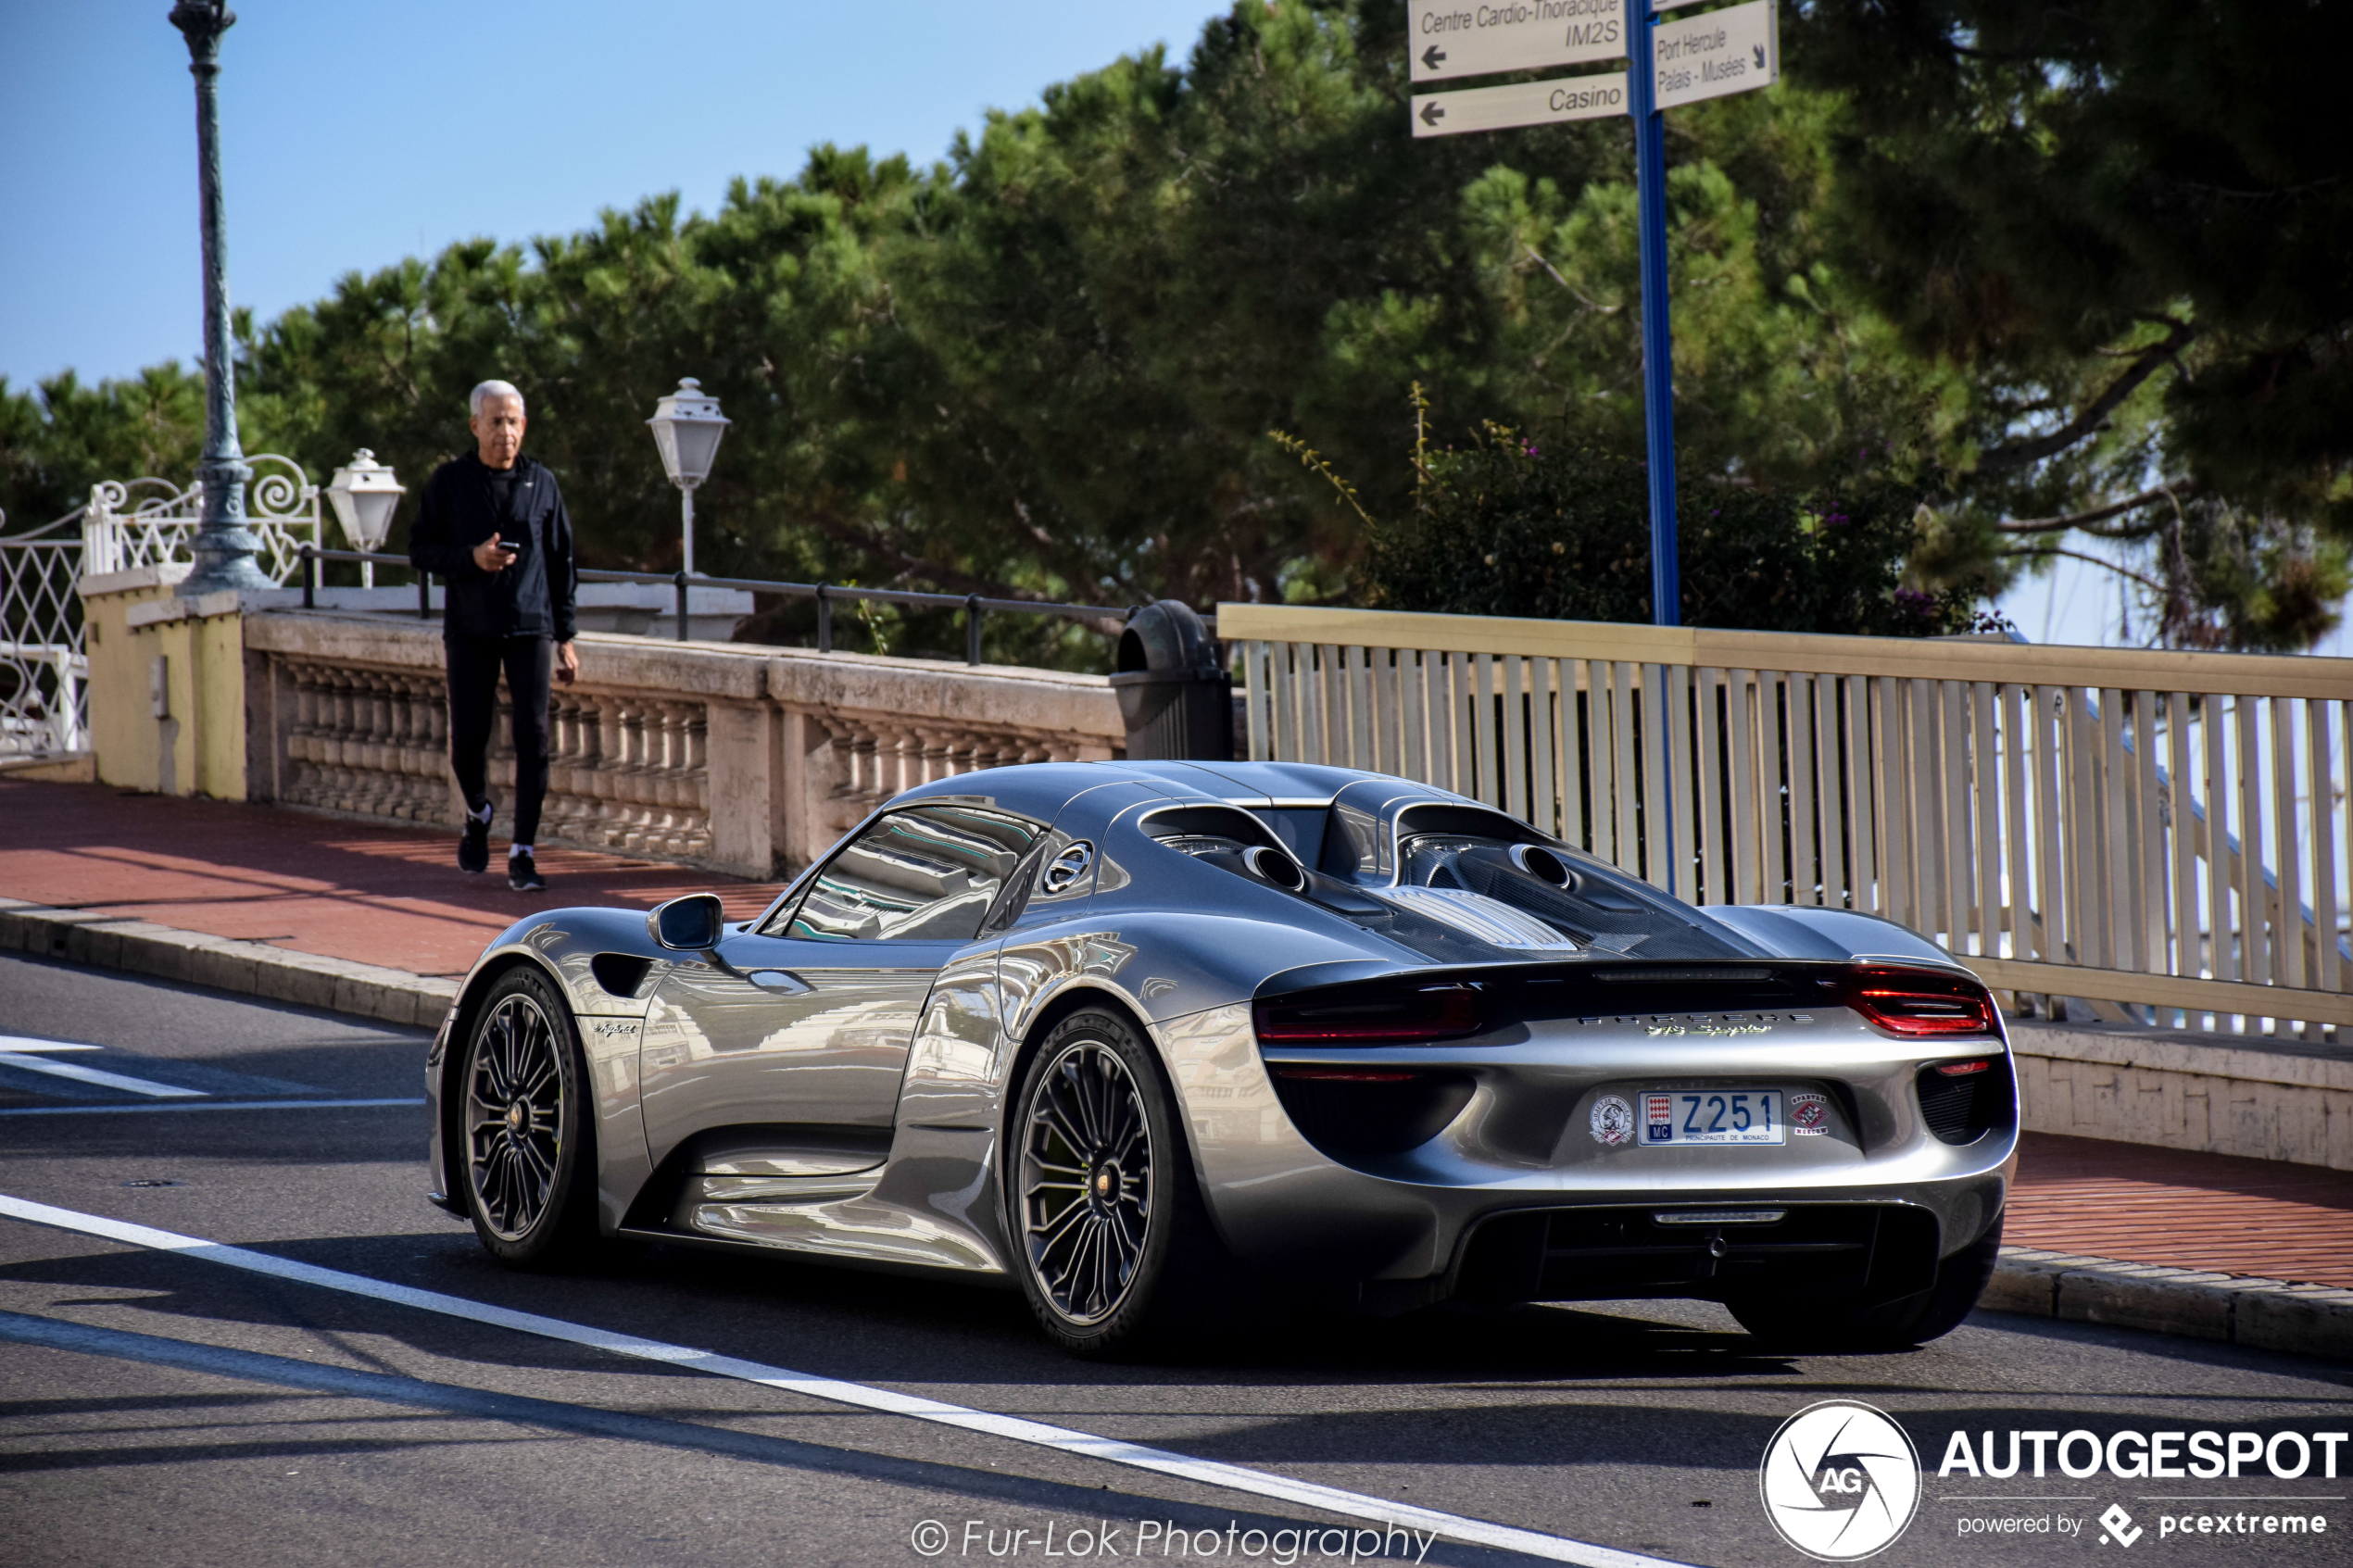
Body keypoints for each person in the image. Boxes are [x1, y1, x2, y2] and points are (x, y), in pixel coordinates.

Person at [408, 380, 578, 892]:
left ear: (523, 426)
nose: (505, 431)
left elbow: (560, 560)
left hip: (531, 627)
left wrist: (566, 637)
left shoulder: (542, 482)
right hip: (470, 629)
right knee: (468, 741)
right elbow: (420, 550)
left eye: (514, 421)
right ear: (475, 426)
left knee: (535, 739)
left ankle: (523, 851)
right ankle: (479, 813)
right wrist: (471, 559)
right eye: (496, 421)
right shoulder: (449, 482)